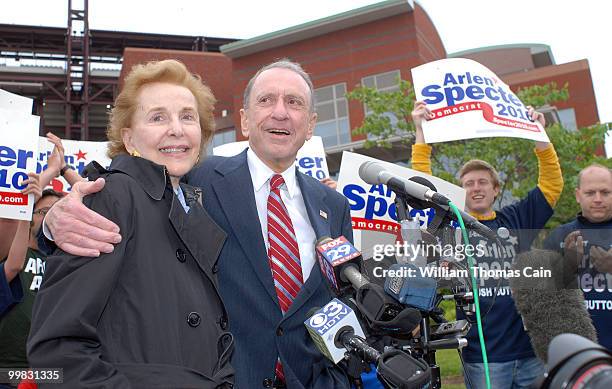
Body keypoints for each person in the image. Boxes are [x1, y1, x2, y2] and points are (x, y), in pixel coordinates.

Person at [41, 59, 353, 388]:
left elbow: (338, 304)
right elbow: (130, 184)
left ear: (310, 124)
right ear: (244, 120)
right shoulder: (194, 179)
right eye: (266, 100)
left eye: (294, 102)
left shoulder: (333, 206)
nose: (280, 112)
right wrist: (52, 219)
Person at [27, 59, 234, 388]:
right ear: (130, 138)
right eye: (157, 117)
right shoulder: (112, 197)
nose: (176, 129)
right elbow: (56, 351)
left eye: (187, 116)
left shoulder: (192, 204)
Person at [410, 101, 563, 389]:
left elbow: (552, 185)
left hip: (530, 352)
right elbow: (423, 186)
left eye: (482, 182)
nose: (476, 188)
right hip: (482, 357)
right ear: (460, 192)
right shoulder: (451, 223)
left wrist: (538, 135)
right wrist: (421, 131)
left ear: (495, 189)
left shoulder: (517, 218)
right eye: (468, 183)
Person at [544, 164, 612, 349]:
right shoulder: (559, 236)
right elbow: (541, 300)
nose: (598, 199)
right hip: (576, 350)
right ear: (578, 195)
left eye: (605, 192)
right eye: (590, 193)